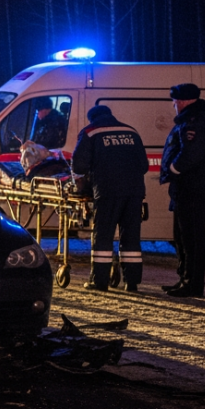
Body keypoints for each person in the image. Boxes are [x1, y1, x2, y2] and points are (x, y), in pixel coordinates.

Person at [71, 105, 147, 292]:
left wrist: (93, 170)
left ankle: (100, 281)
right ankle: (131, 282)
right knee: (131, 237)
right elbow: (144, 165)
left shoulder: (91, 132)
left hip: (108, 191)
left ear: (92, 118)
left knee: (103, 236)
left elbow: (78, 165)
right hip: (134, 191)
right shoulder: (131, 131)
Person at [159, 83, 205, 298]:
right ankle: (184, 279)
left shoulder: (195, 121)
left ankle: (192, 284)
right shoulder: (194, 119)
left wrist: (173, 168)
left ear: (185, 100)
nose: (174, 105)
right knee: (183, 237)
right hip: (187, 188)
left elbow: (192, 153)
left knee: (192, 238)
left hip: (194, 188)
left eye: (175, 101)